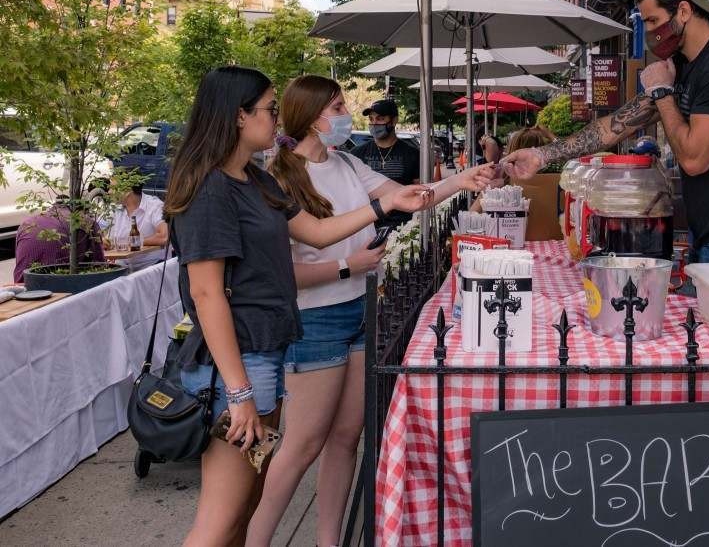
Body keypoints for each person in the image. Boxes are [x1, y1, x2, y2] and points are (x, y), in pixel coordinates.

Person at [165, 66, 433, 547]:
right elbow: (207, 297)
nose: (276, 119)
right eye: (269, 109)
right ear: (238, 115)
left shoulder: (252, 180)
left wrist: (388, 206)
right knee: (220, 520)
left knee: (244, 509)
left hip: (265, 354)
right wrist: (241, 393)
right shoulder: (211, 191)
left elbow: (318, 231)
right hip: (239, 365)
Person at [246, 75, 493, 547]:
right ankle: (253, 538)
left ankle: (329, 539)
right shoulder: (279, 177)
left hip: (361, 310)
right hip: (314, 321)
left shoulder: (345, 162)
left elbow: (406, 197)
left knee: (346, 436)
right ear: (312, 115)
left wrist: (464, 178)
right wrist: (346, 267)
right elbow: (282, 272)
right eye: (338, 106)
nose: (347, 115)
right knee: (301, 446)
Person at [504, 0, 709, 263]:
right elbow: (614, 126)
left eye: (652, 21)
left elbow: (694, 159)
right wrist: (542, 155)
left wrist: (662, 92)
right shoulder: (682, 66)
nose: (649, 33)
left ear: (684, 11)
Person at [350, 99, 421, 230]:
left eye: (380, 119)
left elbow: (419, 189)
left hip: (403, 228)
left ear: (394, 121)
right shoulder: (356, 153)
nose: (374, 123)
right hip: (367, 226)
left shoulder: (412, 153)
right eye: (371, 119)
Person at [13, 201, 105, 282]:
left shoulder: (27, 223)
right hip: (57, 282)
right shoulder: (85, 221)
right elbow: (100, 266)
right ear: (83, 210)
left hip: (23, 282)